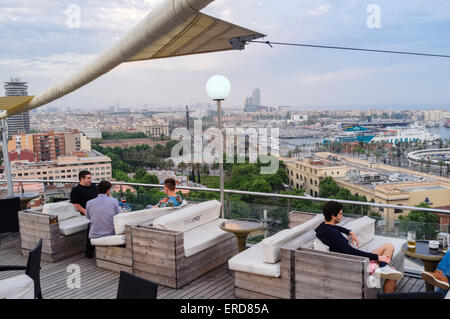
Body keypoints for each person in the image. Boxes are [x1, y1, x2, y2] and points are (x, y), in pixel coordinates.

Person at [315, 201, 403, 293]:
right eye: (340, 214)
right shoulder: (333, 235)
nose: (342, 215)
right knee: (393, 273)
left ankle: (383, 268)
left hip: (353, 260)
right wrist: (378, 257)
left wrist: (349, 232)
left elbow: (336, 228)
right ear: (333, 216)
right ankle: (383, 268)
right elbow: (352, 252)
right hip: (356, 265)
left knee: (389, 246)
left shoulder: (323, 227)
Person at [70, 170, 98, 257]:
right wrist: (84, 211)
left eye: (90, 178)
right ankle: (89, 252)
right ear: (82, 179)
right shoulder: (76, 190)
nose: (90, 180)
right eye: (88, 178)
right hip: (87, 212)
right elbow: (75, 203)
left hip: (98, 210)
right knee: (94, 224)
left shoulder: (94, 186)